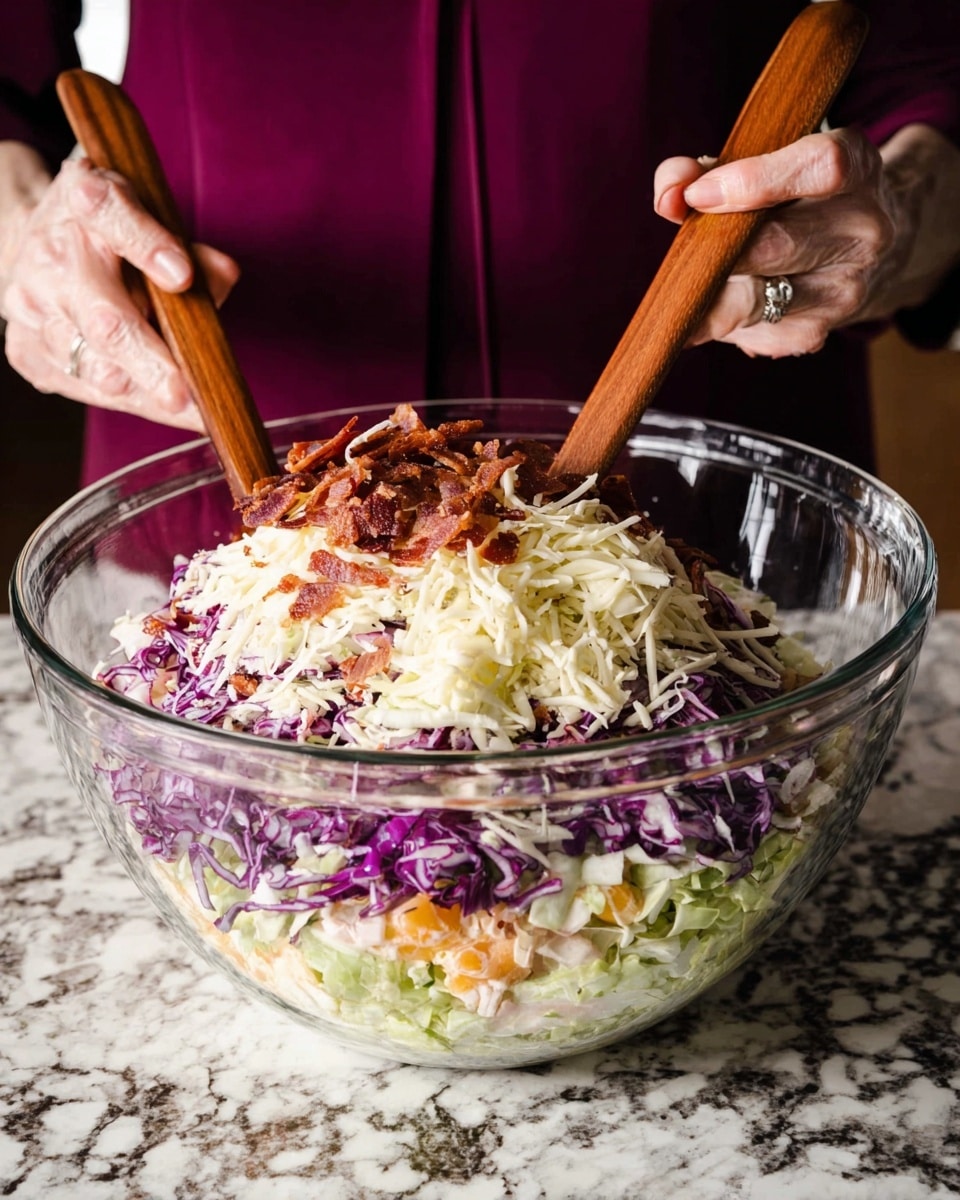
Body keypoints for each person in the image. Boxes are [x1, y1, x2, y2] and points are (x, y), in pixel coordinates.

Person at [1, 1, 959, 485]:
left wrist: (901, 215)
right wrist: (20, 243)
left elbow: (935, 62)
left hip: (716, 473)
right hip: (214, 453)